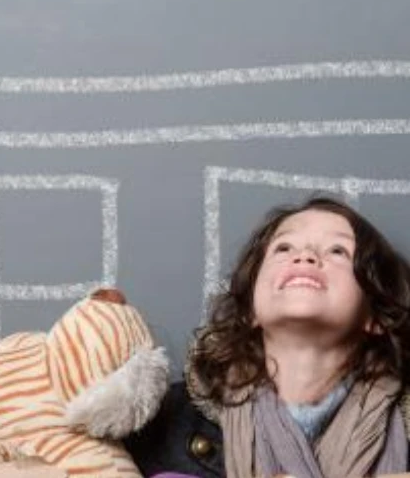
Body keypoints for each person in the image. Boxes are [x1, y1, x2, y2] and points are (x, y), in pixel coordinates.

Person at [127, 196, 410, 478]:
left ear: (375, 316)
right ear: (250, 310)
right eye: (284, 248)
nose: (305, 255)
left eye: (338, 251)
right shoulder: (163, 418)